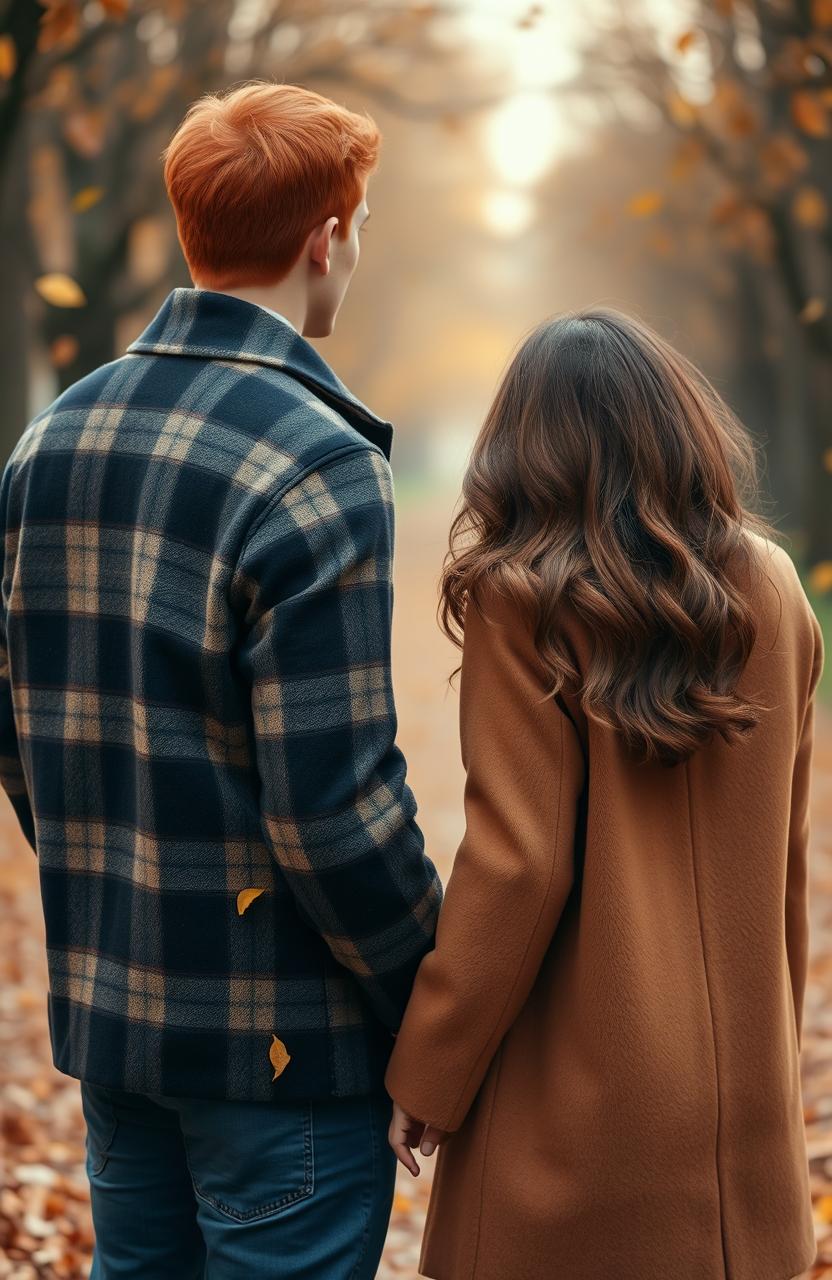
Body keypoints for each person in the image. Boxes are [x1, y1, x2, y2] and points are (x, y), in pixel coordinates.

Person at [0, 81, 442, 1278]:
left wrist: (116, 888)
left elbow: (21, 732)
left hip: (119, 1029)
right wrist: (430, 1013)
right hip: (283, 1052)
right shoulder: (320, 461)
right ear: (328, 235)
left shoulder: (51, 441)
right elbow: (333, 802)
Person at [385, 309, 823, 1280]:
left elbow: (517, 862)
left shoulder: (523, 596)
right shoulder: (778, 586)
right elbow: (783, 872)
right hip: (736, 1137)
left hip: (574, 1132)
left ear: (523, 450)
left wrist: (429, 1073)